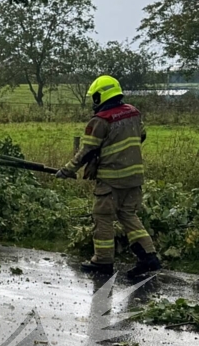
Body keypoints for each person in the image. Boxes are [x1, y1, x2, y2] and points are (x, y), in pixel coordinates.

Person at [56, 76, 160, 278]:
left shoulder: (100, 120)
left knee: (102, 217)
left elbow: (86, 151)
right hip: (135, 177)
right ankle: (149, 256)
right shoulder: (133, 112)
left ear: (100, 96)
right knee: (128, 215)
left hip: (111, 180)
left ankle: (103, 261)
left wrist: (67, 170)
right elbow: (142, 136)